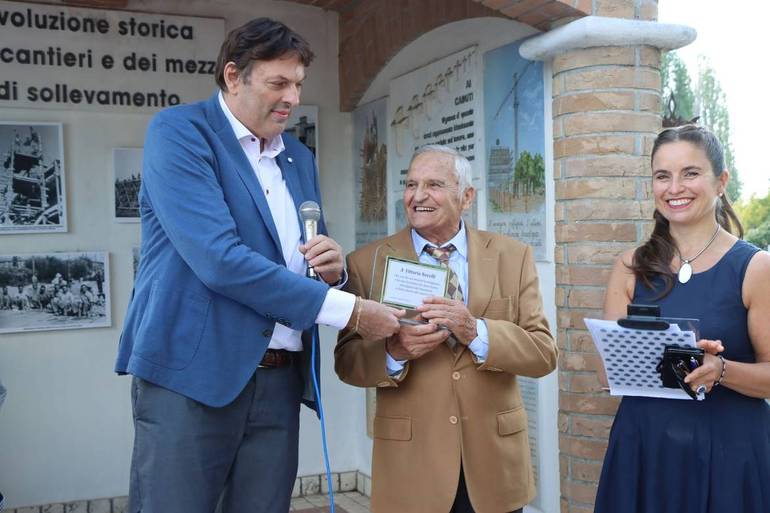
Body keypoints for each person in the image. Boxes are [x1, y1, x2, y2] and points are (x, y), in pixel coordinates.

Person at [114, 18, 403, 513]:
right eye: (278, 83)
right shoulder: (181, 133)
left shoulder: (299, 157)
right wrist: (350, 310)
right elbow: (219, 261)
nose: (292, 97)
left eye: (298, 84)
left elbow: (299, 257)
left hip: (277, 380)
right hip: (192, 379)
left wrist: (330, 268)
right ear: (233, 76)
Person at [335, 145, 558, 513]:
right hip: (411, 470)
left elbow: (542, 354)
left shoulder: (512, 256)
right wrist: (395, 352)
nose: (418, 196)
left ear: (466, 196)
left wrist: (476, 331)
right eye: (411, 185)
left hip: (494, 467)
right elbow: (346, 362)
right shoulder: (365, 263)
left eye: (434, 185)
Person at [595, 125, 770, 513]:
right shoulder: (629, 267)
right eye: (662, 176)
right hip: (644, 451)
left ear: (721, 181)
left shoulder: (756, 268)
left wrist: (720, 369)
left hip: (729, 453)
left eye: (690, 173)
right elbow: (608, 376)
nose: (675, 187)